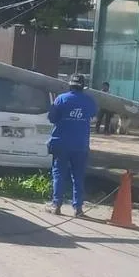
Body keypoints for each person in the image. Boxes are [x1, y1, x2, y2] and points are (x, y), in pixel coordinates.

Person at [47, 73, 97, 216]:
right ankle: (78, 208)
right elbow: (93, 116)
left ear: (70, 84)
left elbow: (52, 118)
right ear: (83, 86)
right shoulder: (89, 101)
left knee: (59, 174)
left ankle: (56, 205)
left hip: (61, 143)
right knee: (78, 176)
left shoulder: (61, 99)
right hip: (80, 145)